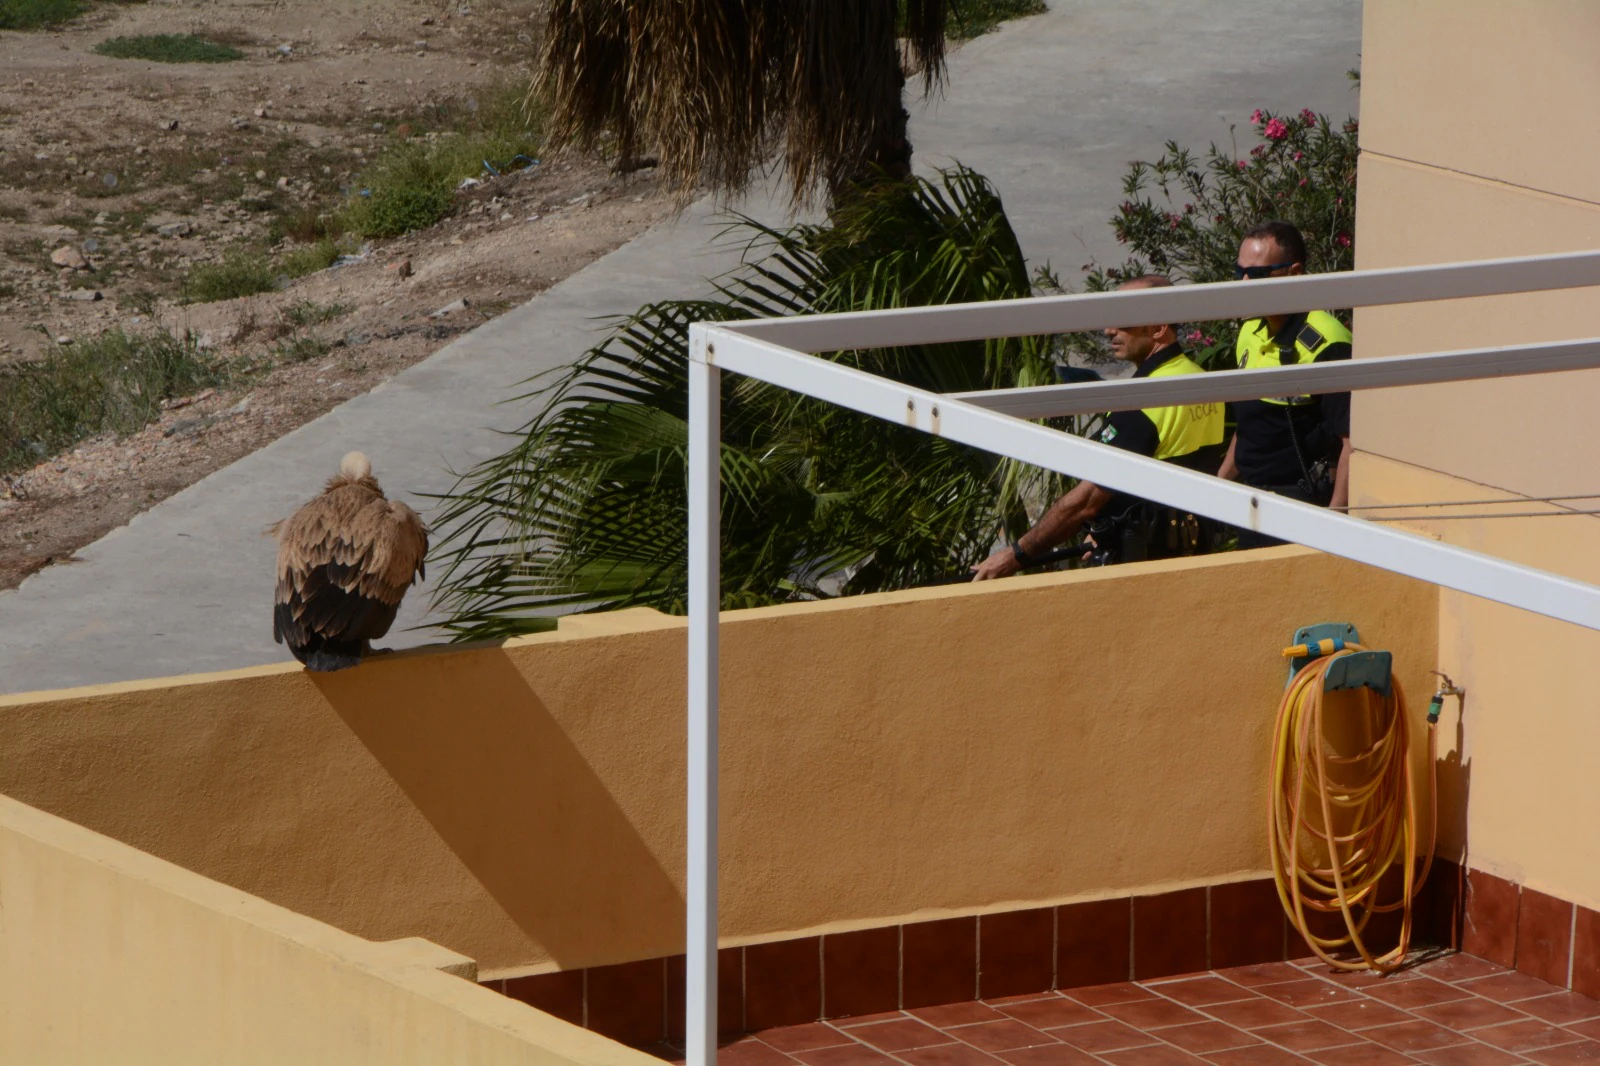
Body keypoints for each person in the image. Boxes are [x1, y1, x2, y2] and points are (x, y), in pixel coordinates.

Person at [971, 276, 1226, 580]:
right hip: (1196, 556)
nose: (1109, 330)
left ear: (1158, 328)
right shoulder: (1200, 379)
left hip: (1146, 568)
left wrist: (1015, 555)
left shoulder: (1144, 401)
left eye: (1123, 320)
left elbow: (1085, 501)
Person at [1217, 220, 1353, 544]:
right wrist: (1221, 482)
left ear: (1294, 272)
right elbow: (1250, 422)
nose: (1246, 283)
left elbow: (1352, 444)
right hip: (1250, 501)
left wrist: (1336, 519)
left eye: (1259, 274)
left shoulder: (1327, 341)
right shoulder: (1249, 330)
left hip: (1301, 507)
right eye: (1240, 273)